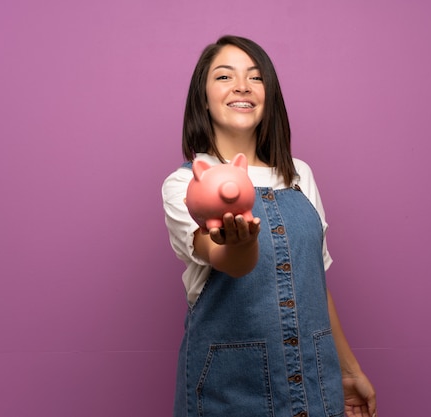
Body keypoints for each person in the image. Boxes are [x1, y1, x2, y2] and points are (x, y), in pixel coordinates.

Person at [162, 35, 376, 417]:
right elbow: (225, 259)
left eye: (256, 77)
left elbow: (314, 281)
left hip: (314, 382)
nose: (242, 86)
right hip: (229, 391)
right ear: (202, 96)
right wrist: (239, 244)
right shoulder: (184, 184)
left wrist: (349, 370)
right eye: (224, 77)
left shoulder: (299, 175)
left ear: (269, 94)